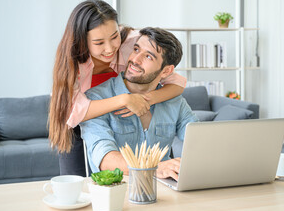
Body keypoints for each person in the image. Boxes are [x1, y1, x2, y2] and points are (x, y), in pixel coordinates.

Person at [48, 0, 187, 176]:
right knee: (79, 186)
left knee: (161, 172)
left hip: (121, 117)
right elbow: (74, 112)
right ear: (82, 41)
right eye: (99, 43)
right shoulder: (72, 64)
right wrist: (124, 99)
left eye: (114, 37)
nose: (110, 48)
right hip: (80, 124)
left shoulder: (131, 42)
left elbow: (175, 82)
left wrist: (145, 100)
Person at [80, 27, 198, 181]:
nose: (135, 59)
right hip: (116, 192)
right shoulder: (98, 99)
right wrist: (154, 168)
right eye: (136, 49)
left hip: (164, 191)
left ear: (166, 71)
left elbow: (200, 142)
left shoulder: (175, 102)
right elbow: (105, 159)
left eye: (148, 57)